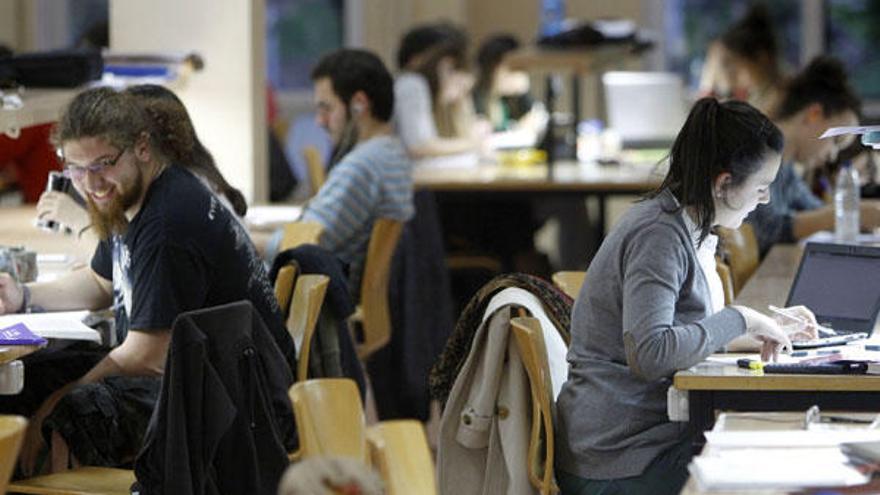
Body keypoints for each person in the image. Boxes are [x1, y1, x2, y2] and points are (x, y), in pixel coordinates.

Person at [0, 87, 296, 472]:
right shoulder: (128, 197)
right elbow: (100, 282)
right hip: (203, 374)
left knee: (74, 412)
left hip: (238, 402)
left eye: (102, 164)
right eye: (75, 168)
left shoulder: (167, 222)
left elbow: (146, 354)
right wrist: (21, 295)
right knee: (35, 377)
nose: (91, 183)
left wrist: (54, 405)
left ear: (142, 147)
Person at [554, 98, 818, 495]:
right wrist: (741, 318)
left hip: (641, 440)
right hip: (618, 457)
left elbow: (684, 334)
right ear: (723, 183)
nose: (765, 200)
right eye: (761, 188)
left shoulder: (686, 224)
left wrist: (766, 327)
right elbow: (651, 352)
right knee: (777, 478)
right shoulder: (658, 236)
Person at [267, 49, 414, 294]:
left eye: (327, 108)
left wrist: (241, 238)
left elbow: (302, 243)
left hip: (322, 297)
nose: (320, 121)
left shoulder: (363, 166)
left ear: (359, 105)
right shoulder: (391, 153)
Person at [35, 84, 248, 241]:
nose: (91, 182)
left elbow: (113, 278)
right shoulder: (184, 182)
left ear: (143, 146)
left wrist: (78, 220)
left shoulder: (170, 210)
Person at [746, 56, 880, 256]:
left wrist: (857, 216)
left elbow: (812, 208)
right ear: (814, 114)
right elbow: (763, 231)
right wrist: (846, 214)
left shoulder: (786, 169)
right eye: (836, 141)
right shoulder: (755, 150)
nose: (832, 156)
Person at [393, 23, 488, 158]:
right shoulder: (411, 84)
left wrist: (461, 104)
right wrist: (472, 143)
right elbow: (419, 146)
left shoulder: (429, 92)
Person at [699, 3, 784, 115]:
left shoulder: (779, 101)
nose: (734, 78)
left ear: (762, 58)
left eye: (738, 68)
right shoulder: (757, 97)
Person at [473, 33, 546, 137]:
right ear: (492, 68)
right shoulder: (475, 98)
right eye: (511, 68)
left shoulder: (511, 96)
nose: (518, 74)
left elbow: (536, 114)